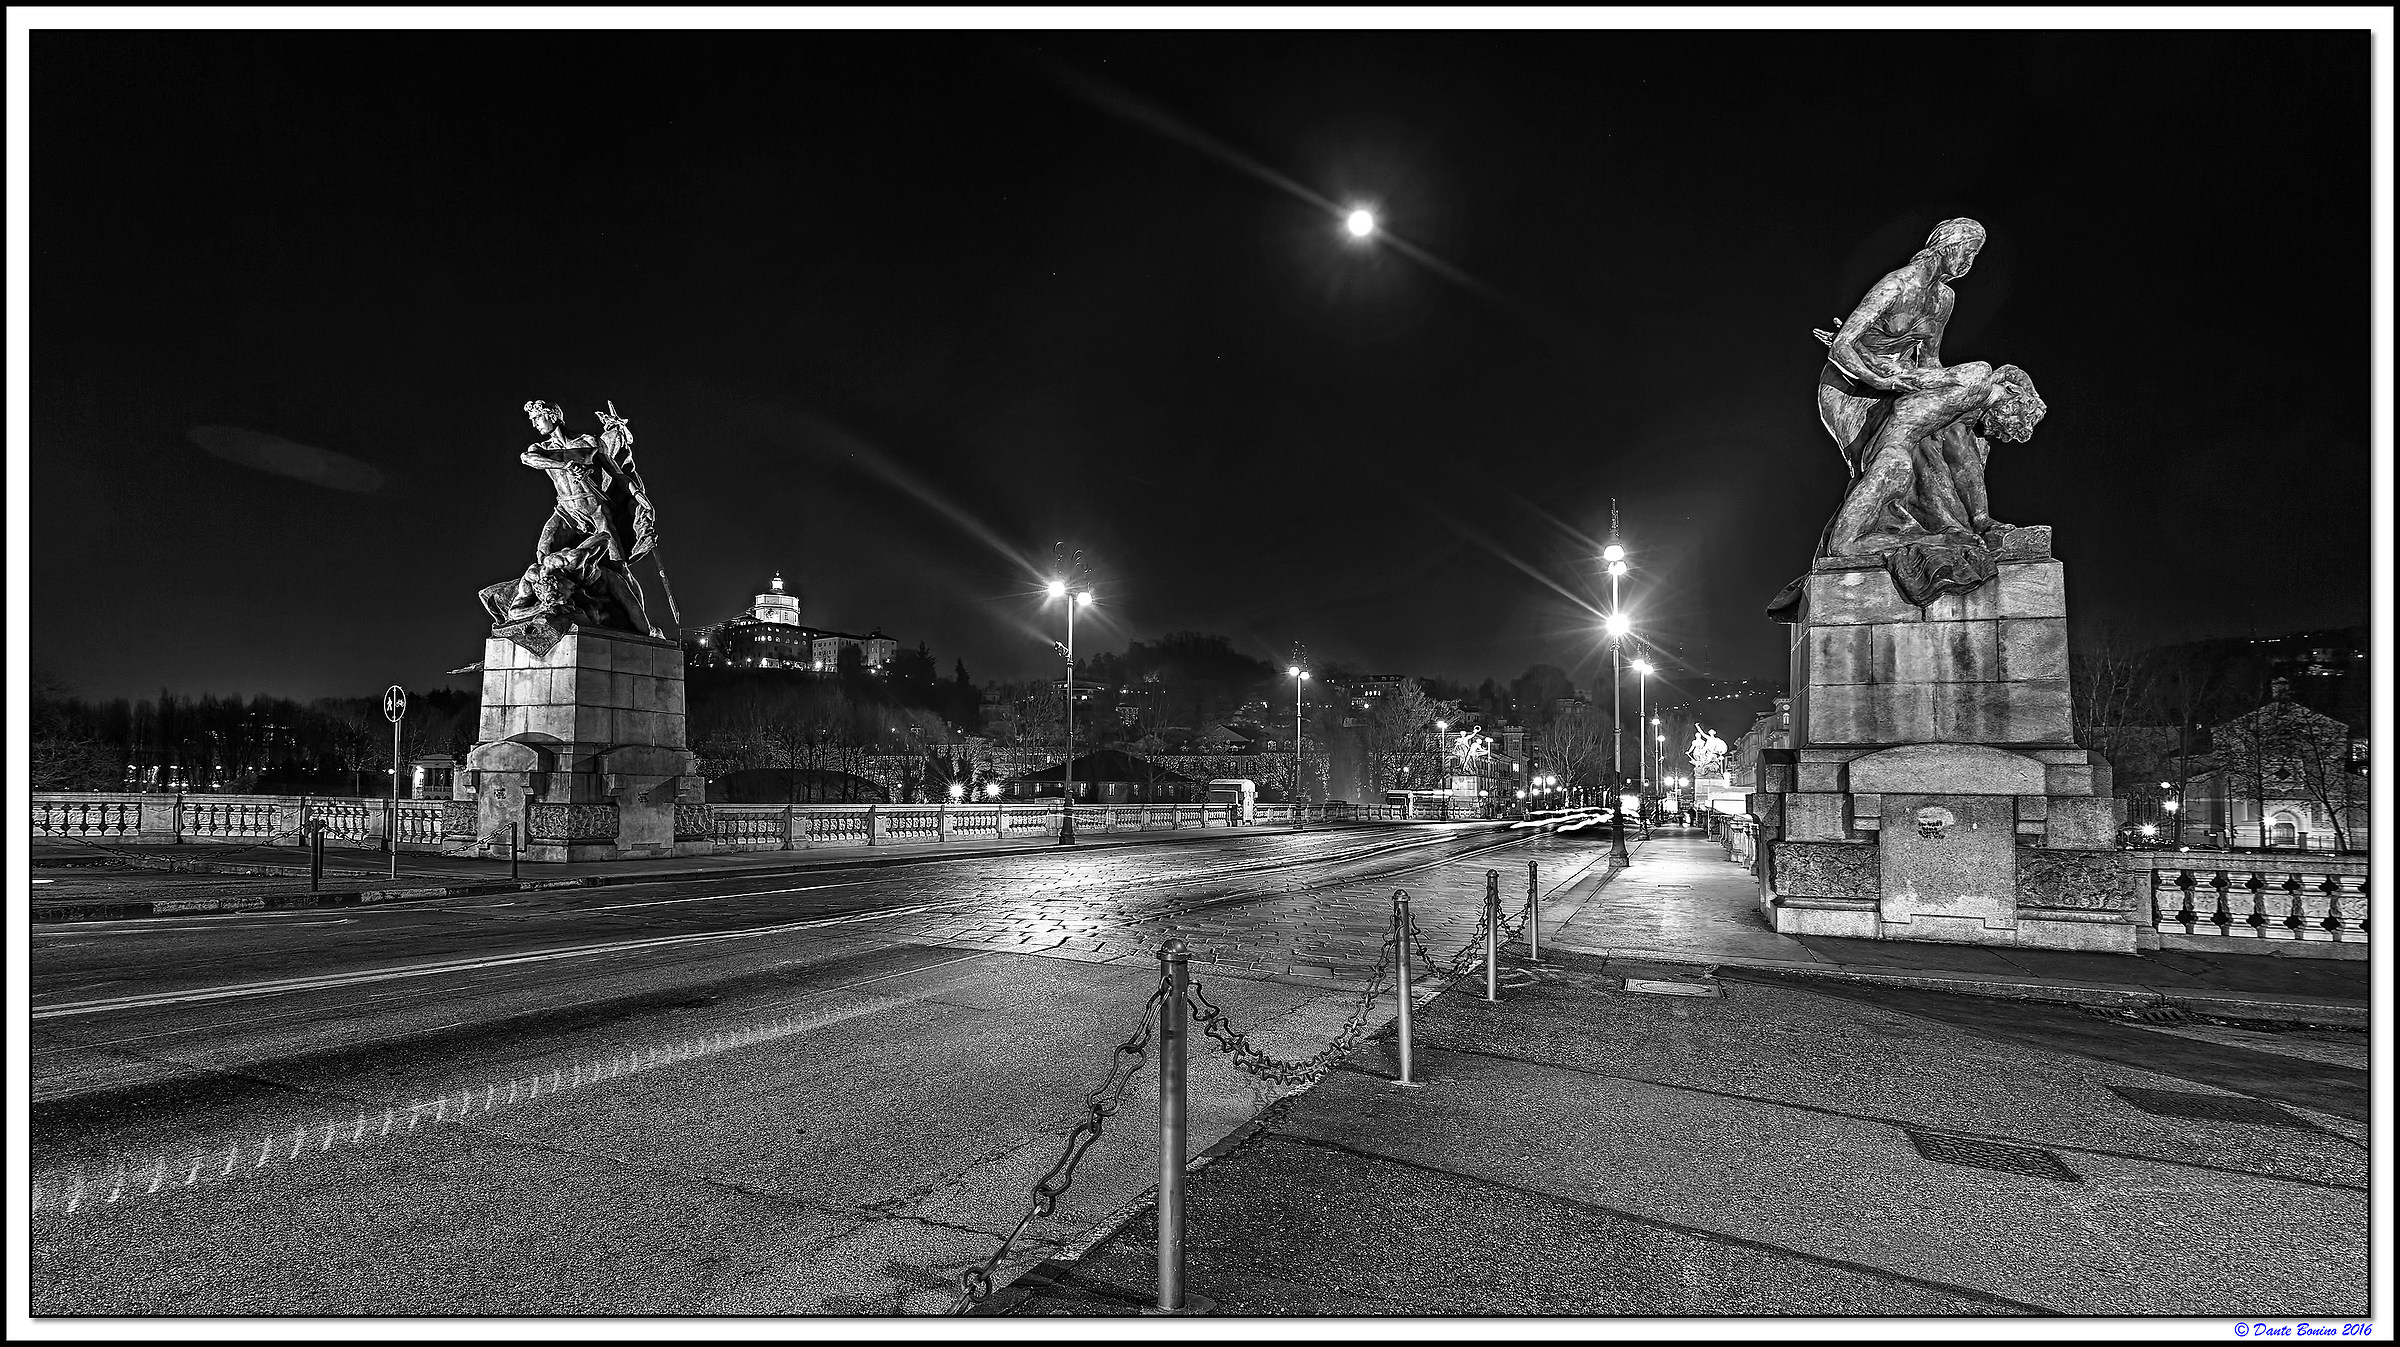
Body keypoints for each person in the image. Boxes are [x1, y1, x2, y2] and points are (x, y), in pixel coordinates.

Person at [516, 399, 661, 636]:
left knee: (619, 568)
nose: (534, 424)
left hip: (595, 510)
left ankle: (642, 626)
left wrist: (639, 496)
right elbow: (527, 459)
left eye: (536, 418)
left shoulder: (589, 442)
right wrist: (564, 466)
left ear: (552, 416)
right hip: (566, 512)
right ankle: (551, 604)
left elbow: (618, 474)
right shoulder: (541, 448)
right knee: (543, 555)